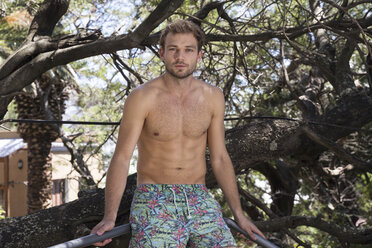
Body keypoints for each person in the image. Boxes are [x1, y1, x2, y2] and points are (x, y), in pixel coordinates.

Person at [91, 19, 264, 247]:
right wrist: (109, 216)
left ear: (199, 55)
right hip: (154, 198)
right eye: (173, 49)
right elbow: (122, 157)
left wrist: (239, 214)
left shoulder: (213, 97)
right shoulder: (142, 97)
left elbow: (220, 158)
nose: (180, 57)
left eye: (188, 50)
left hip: (199, 196)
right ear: (162, 53)